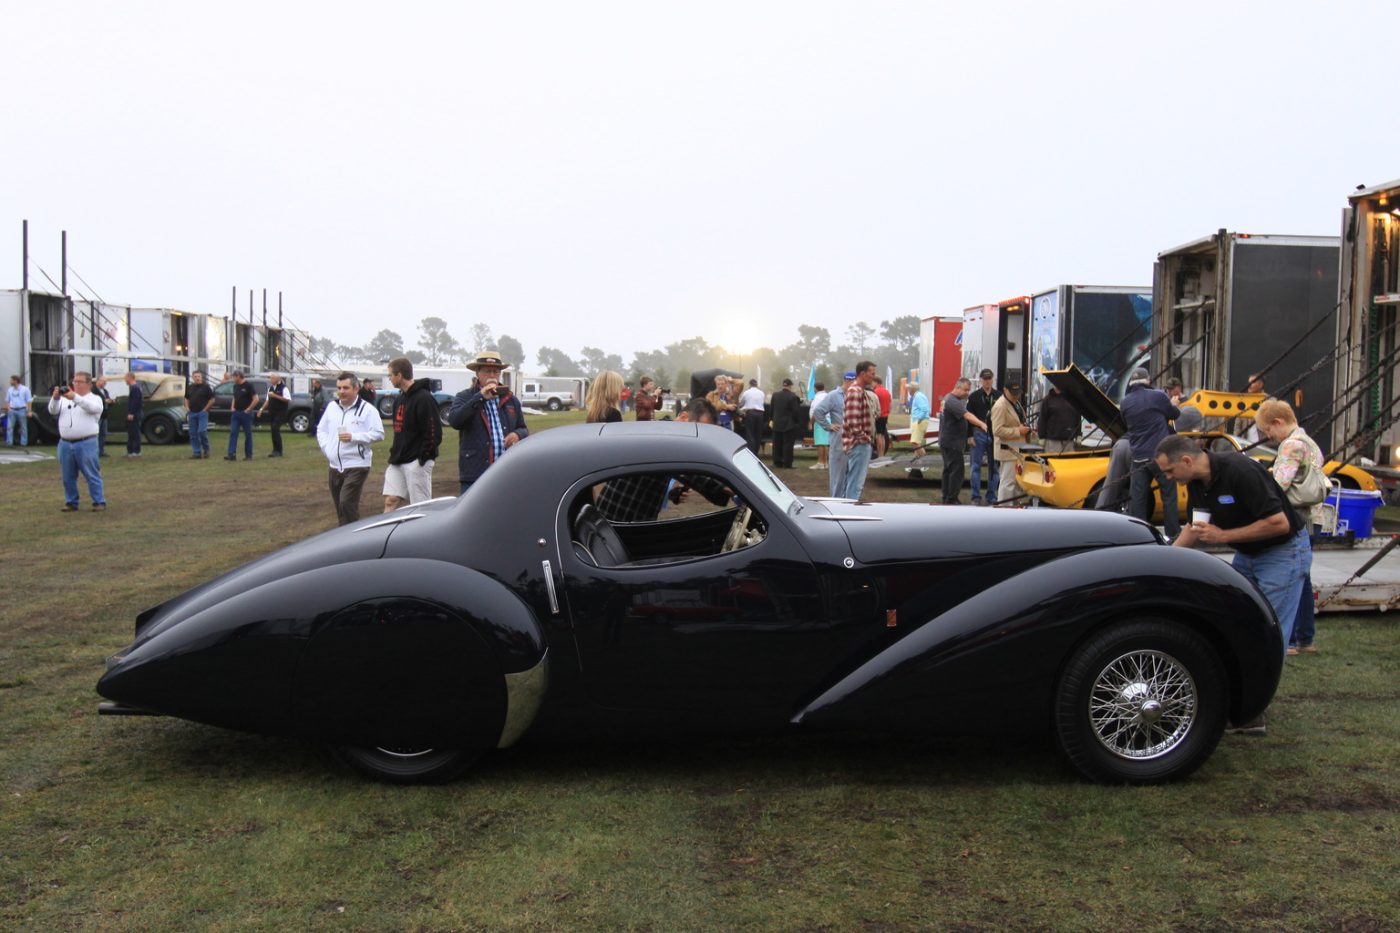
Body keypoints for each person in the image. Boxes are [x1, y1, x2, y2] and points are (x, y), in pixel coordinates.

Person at [1157, 433, 1309, 677]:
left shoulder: (1241, 471)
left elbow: (1279, 524)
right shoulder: (1197, 483)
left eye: (1169, 471)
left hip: (1282, 552)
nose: (1167, 477)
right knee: (1240, 621)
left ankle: (1259, 700)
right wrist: (1162, 562)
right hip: (1248, 553)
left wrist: (1223, 536)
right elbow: (1195, 527)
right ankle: (1244, 686)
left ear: (1186, 461)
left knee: (1271, 628)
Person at [1255, 398, 1324, 655]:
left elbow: (1278, 485)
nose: (1267, 436)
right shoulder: (1309, 441)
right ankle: (1306, 638)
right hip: (1313, 517)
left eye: (1267, 430)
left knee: (1291, 579)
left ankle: (1292, 640)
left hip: (1295, 517)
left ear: (1277, 422)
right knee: (1303, 578)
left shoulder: (1291, 445)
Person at [595, 398, 731, 523]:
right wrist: (728, 485)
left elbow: (646, 477)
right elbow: (690, 470)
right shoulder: (664, 437)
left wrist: (670, 494)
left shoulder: (663, 432)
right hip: (614, 524)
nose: (699, 437)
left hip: (624, 521)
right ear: (683, 417)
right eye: (698, 429)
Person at [447, 350, 529, 494]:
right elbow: (455, 421)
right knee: (472, 514)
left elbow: (523, 428)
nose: (492, 376)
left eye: (496, 372)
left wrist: (517, 434)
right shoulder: (465, 396)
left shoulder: (510, 399)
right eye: (487, 371)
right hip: (474, 473)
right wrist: (480, 398)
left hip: (505, 471)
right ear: (477, 373)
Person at [317, 371, 385, 525]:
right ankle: (345, 538)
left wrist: (354, 437)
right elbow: (322, 430)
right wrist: (327, 449)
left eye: (346, 388)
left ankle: (352, 539)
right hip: (334, 466)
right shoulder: (332, 407)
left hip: (357, 465)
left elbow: (379, 434)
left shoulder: (367, 410)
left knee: (346, 504)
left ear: (356, 389)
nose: (341, 392)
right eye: (339, 388)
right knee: (340, 508)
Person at [1121, 367, 1181, 538]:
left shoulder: (1125, 402)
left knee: (1138, 499)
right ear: (1148, 381)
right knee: (1169, 495)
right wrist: (1174, 404)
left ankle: (1138, 535)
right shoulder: (1158, 396)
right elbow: (1174, 415)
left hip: (1138, 457)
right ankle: (1173, 534)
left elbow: (1125, 423)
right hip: (1160, 456)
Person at [383, 357, 442, 511]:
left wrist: (422, 458)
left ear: (399, 375)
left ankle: (424, 534)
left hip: (417, 461)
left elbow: (434, 433)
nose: (389, 378)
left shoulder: (424, 398)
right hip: (398, 460)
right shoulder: (399, 399)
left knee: (420, 507)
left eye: (390, 375)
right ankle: (383, 534)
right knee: (390, 500)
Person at [47, 372, 106, 511]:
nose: (76, 384)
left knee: (91, 474)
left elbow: (94, 409)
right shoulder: (65, 399)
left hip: (86, 442)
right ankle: (71, 501)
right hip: (66, 442)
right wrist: (55, 398)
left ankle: (99, 501)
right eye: (74, 381)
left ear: (88, 384)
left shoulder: (95, 398)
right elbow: (52, 411)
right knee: (67, 476)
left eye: (80, 382)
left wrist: (75, 397)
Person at [939, 377, 988, 505]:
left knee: (948, 470)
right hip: (952, 442)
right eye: (965, 390)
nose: (967, 393)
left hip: (947, 440)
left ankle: (946, 497)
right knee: (957, 471)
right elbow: (967, 415)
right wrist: (981, 424)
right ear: (957, 387)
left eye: (969, 390)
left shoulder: (948, 398)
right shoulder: (952, 401)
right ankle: (952, 498)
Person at [991, 377, 1033, 505]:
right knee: (1008, 482)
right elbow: (997, 430)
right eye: (1013, 393)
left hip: (1018, 448)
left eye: (1018, 393)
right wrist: (1018, 431)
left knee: (1017, 482)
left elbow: (1019, 420)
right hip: (1007, 450)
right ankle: (1004, 508)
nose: (1016, 396)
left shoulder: (1016, 403)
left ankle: (1015, 506)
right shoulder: (1000, 406)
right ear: (1005, 390)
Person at [841, 361, 879, 500]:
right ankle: (850, 510)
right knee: (855, 484)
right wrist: (865, 439)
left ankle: (848, 507)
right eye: (872, 373)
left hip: (860, 444)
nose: (873, 377)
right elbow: (852, 421)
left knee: (854, 482)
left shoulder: (859, 391)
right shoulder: (855, 391)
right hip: (858, 445)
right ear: (862, 374)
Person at [811, 372, 853, 496]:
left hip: (853, 440)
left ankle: (848, 501)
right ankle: (836, 500)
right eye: (852, 382)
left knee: (851, 473)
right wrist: (828, 426)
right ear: (846, 381)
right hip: (839, 439)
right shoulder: (834, 395)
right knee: (838, 473)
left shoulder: (855, 395)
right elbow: (818, 411)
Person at [966, 369, 1000, 505]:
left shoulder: (999, 396)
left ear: (993, 379)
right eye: (985, 379)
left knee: (994, 467)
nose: (987, 381)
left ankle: (991, 496)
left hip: (994, 434)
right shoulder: (974, 396)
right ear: (980, 380)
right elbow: (968, 417)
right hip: (978, 433)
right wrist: (969, 436)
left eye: (989, 379)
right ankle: (975, 496)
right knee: (975, 466)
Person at [224, 371, 260, 461]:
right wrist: (232, 406)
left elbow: (256, 399)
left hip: (246, 414)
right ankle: (231, 454)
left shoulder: (248, 386)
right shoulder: (235, 386)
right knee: (233, 433)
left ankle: (248, 455)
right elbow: (235, 397)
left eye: (233, 377)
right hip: (236, 413)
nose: (232, 379)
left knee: (248, 434)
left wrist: (249, 409)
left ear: (238, 376)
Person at [1037, 383, 1079, 453]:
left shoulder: (1072, 399)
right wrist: (1041, 437)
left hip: (1069, 441)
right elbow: (1042, 419)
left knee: (1069, 463)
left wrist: (1078, 434)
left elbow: (1077, 417)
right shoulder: (1047, 400)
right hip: (1052, 442)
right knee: (1053, 462)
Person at [256, 372, 290, 457]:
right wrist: (261, 409)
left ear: (278, 379)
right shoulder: (270, 388)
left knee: (275, 429)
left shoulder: (284, 388)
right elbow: (267, 401)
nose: (271, 380)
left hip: (281, 412)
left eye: (272, 378)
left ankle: (279, 450)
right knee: (273, 430)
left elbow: (287, 399)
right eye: (270, 378)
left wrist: (275, 396)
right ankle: (275, 449)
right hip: (272, 412)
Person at [769, 378, 801, 468]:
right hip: (788, 424)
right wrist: (796, 421)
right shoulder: (792, 397)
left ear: (783, 385)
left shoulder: (775, 395)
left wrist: (771, 419)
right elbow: (795, 411)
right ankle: (787, 463)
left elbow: (772, 409)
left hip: (776, 423)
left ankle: (777, 462)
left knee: (777, 443)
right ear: (790, 386)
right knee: (788, 444)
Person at [183, 370, 215, 458]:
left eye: (199, 376)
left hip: (202, 413)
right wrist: (187, 407)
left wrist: (205, 409)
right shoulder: (190, 387)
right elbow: (186, 398)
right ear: (193, 377)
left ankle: (206, 449)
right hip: (192, 413)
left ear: (201, 377)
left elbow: (212, 400)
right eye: (195, 376)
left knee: (202, 431)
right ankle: (196, 452)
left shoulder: (206, 387)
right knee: (193, 434)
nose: (197, 378)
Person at [739, 378, 766, 455]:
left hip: (750, 413)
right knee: (758, 433)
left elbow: (741, 404)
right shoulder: (762, 393)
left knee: (750, 433)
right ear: (756, 385)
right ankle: (756, 451)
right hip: (760, 414)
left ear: (749, 385)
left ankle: (751, 452)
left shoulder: (746, 392)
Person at [5, 375, 33, 447]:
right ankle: (9, 443)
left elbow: (29, 401)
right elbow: (7, 400)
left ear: (15, 381)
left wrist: (29, 411)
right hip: (12, 410)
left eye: (11, 380)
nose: (10, 381)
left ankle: (23, 443)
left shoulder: (25, 389)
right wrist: (8, 408)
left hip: (22, 410)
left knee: (23, 427)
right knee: (9, 427)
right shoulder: (10, 389)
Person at [809, 381, 830, 470]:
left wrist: (811, 422)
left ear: (815, 388)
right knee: (825, 442)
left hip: (820, 421)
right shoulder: (827, 396)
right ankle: (825, 463)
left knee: (820, 443)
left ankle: (820, 462)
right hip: (828, 419)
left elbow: (815, 411)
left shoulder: (817, 398)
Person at [122, 372, 144, 458]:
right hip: (135, 413)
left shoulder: (135, 388)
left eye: (125, 378)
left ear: (130, 378)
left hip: (135, 414)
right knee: (131, 432)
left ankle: (136, 451)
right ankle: (130, 450)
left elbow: (135, 402)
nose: (125, 380)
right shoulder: (136, 387)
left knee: (134, 432)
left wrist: (131, 413)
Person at [907, 382, 930, 457]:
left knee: (915, 442)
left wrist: (919, 418)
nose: (908, 390)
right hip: (918, 421)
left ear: (912, 389)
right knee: (916, 442)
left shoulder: (918, 396)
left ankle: (923, 460)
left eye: (909, 388)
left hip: (920, 421)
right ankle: (916, 462)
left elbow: (924, 409)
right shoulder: (917, 396)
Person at [871, 375, 893, 456]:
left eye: (872, 382)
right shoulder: (886, 391)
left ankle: (879, 454)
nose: (871, 384)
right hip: (885, 416)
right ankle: (882, 454)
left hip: (879, 416)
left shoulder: (875, 391)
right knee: (883, 436)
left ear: (876, 382)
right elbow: (890, 404)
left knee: (878, 436)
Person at [93, 375, 113, 457]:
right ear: (98, 381)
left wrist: (111, 401)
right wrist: (104, 401)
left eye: (106, 382)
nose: (105, 383)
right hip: (97, 416)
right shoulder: (93, 390)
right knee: (96, 434)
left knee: (103, 434)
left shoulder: (105, 391)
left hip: (104, 415)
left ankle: (101, 451)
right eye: (103, 382)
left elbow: (108, 400)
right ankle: (95, 452)